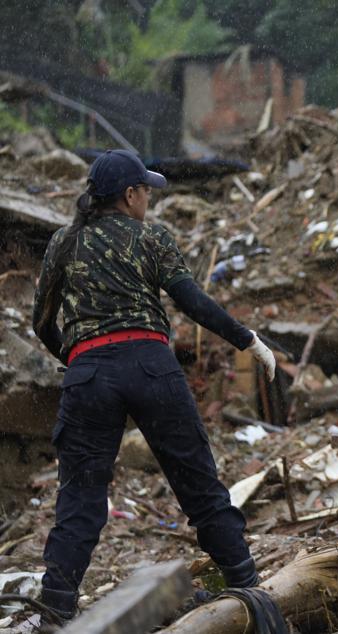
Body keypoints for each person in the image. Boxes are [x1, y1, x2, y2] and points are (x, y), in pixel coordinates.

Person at [31, 149, 277, 622]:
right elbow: (192, 303)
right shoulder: (151, 237)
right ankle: (251, 589)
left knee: (79, 500)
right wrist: (247, 339)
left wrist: (80, 358)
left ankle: (54, 612)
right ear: (129, 195)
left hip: (88, 376)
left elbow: (43, 323)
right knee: (199, 485)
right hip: (151, 366)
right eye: (146, 190)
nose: (149, 198)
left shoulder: (64, 241)